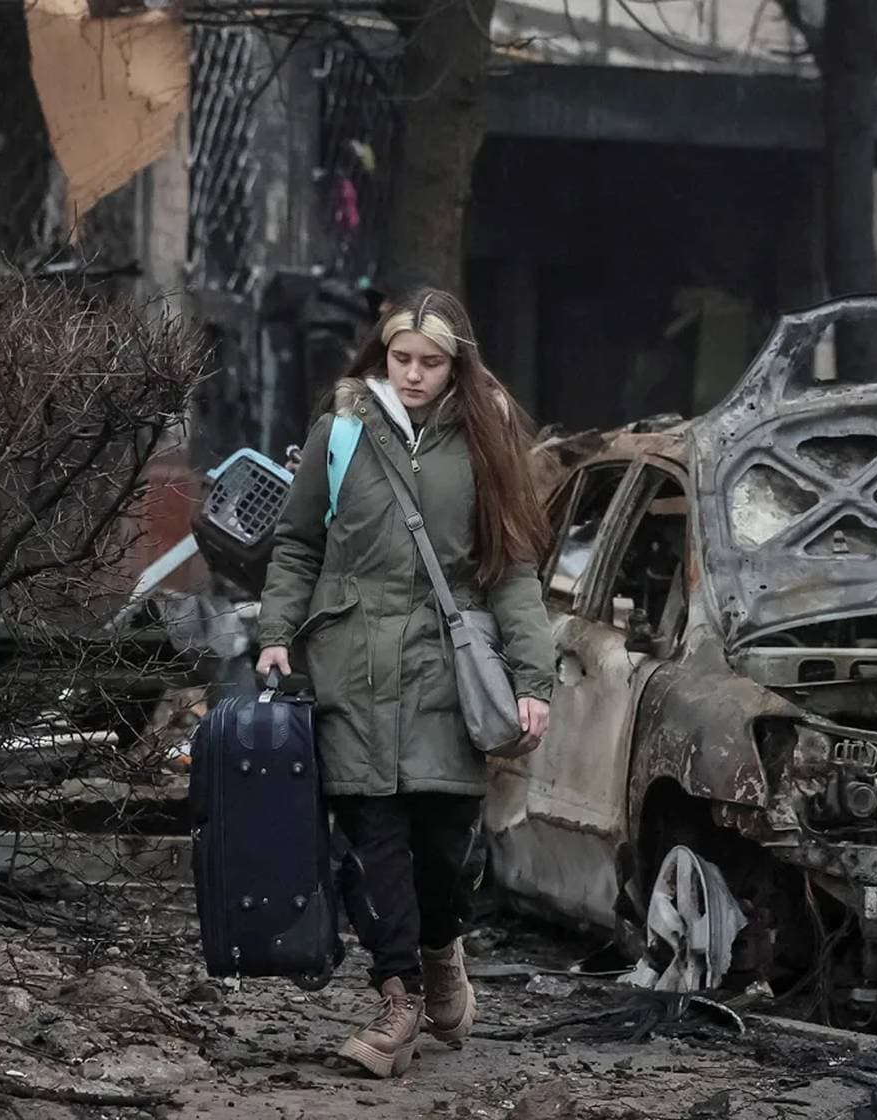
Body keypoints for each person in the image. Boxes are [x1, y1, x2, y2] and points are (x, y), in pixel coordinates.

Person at [255, 288, 555, 1078]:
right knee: (367, 842)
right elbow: (295, 546)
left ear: (457, 364)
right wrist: (278, 633)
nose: (414, 375)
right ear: (381, 356)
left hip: (446, 675)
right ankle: (396, 1001)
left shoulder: (490, 444)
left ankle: (439, 945)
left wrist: (534, 679)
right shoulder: (340, 434)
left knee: (443, 852)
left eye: (430, 362)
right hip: (348, 666)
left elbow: (513, 574)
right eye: (401, 359)